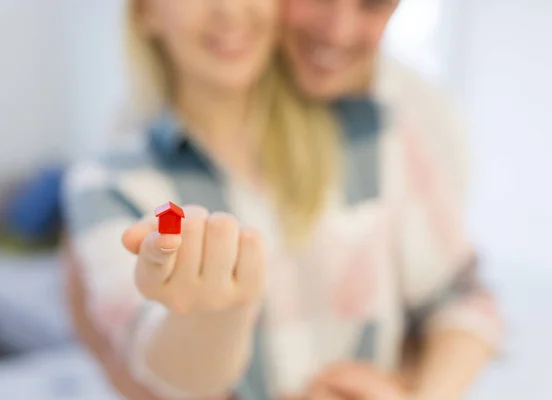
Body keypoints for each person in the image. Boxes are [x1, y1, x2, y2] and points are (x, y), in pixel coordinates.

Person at [63, 1, 502, 400]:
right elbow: (158, 373)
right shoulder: (107, 183)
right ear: (145, 11)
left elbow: (460, 298)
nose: (231, 11)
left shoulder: (379, 131)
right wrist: (219, 310)